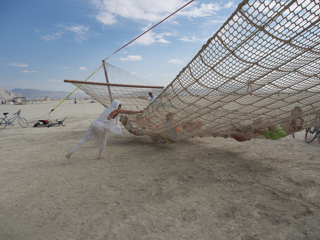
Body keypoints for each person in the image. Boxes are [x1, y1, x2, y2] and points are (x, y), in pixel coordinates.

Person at [66, 100, 142, 160]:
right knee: (103, 141)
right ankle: (100, 156)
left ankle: (71, 152)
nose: (120, 106)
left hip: (94, 123)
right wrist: (139, 111)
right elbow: (128, 112)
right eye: (119, 105)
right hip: (100, 126)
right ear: (116, 105)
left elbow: (114, 117)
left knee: (84, 139)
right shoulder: (116, 111)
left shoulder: (108, 109)